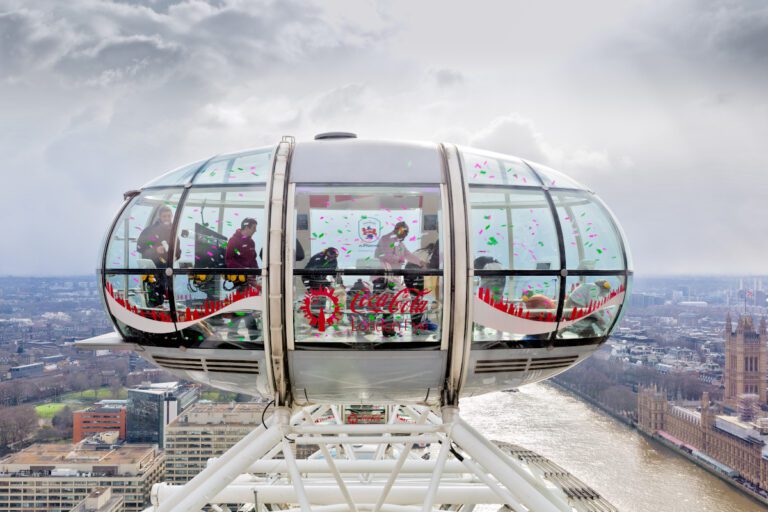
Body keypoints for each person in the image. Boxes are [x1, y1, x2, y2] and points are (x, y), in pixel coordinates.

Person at [375, 222, 424, 337]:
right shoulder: (387, 239)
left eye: (407, 233)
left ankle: (388, 329)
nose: (406, 235)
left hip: (393, 278)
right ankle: (386, 330)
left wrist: (420, 263)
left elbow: (408, 254)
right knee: (387, 303)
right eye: (404, 232)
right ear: (398, 229)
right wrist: (401, 259)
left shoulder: (399, 243)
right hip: (383, 277)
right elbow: (386, 255)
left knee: (391, 303)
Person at [136, 205, 180, 307]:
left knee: (164, 292)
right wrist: (155, 249)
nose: (167, 218)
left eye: (169, 216)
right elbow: (140, 246)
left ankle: (160, 310)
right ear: (160, 217)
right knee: (155, 293)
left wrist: (175, 256)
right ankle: (155, 311)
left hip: (168, 269)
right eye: (164, 216)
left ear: (172, 216)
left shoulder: (173, 232)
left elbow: (178, 251)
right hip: (154, 268)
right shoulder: (150, 230)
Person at [224, 218, 260, 340]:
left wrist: (255, 272)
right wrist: (244, 271)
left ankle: (233, 332)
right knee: (244, 303)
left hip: (249, 276)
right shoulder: (233, 240)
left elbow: (253, 259)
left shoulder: (251, 243)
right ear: (247, 227)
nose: (255, 230)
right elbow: (229, 260)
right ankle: (253, 332)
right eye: (254, 228)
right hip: (239, 277)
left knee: (242, 304)